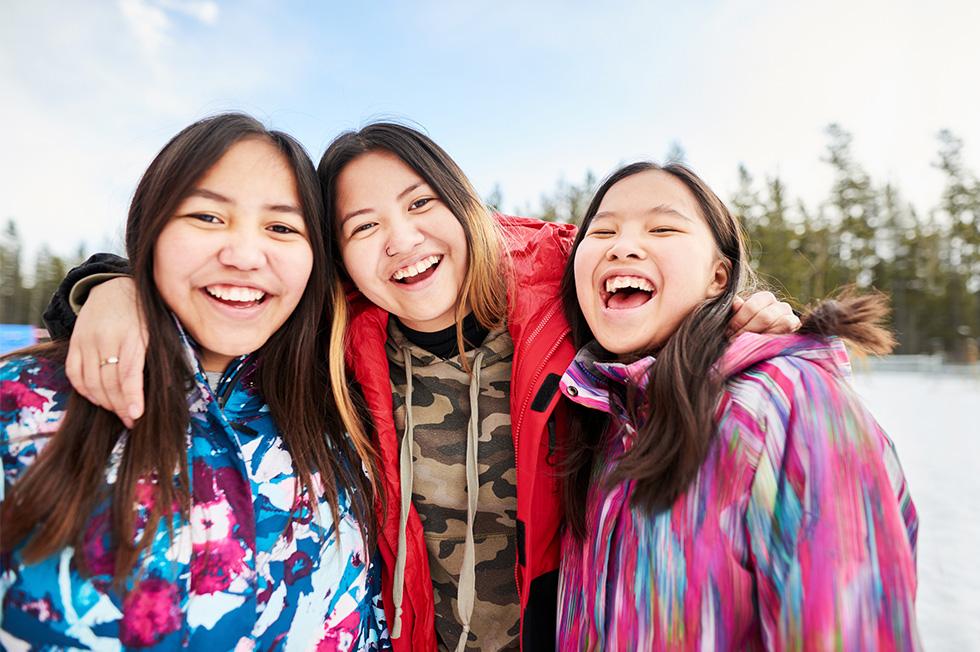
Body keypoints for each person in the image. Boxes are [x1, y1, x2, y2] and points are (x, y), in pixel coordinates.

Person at [46, 124, 800, 651]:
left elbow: (654, 275)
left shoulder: (567, 297)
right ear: (338, 254)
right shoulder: (339, 340)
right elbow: (222, 287)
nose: (401, 242)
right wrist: (110, 287)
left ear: (464, 206)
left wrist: (739, 317)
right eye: (362, 226)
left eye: (418, 206)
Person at [0, 113, 388, 650]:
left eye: (281, 227)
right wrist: (111, 285)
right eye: (208, 217)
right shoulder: (20, 405)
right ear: (152, 228)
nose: (245, 256)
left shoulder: (343, 419)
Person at [555, 161, 920, 650]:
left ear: (718, 276)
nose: (622, 245)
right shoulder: (600, 414)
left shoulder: (786, 402)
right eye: (601, 232)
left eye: (662, 227)